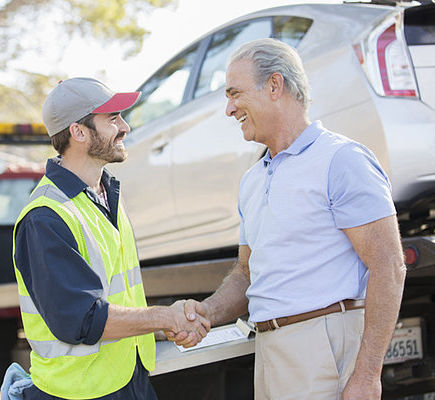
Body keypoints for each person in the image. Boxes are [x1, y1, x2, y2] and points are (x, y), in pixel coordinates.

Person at [168, 38, 407, 399]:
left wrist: (368, 374)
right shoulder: (252, 180)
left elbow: (389, 266)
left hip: (324, 348)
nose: (229, 109)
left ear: (275, 85)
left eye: (235, 93)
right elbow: (247, 274)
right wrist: (206, 312)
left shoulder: (342, 160)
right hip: (267, 352)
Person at [2, 77, 209, 400]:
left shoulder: (106, 195)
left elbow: (120, 294)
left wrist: (162, 326)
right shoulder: (46, 216)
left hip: (128, 380)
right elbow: (81, 319)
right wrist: (164, 316)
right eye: (112, 118)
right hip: (79, 391)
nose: (125, 127)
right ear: (79, 132)